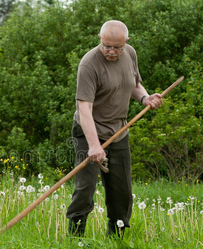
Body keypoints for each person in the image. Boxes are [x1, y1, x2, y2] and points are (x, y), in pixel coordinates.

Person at [66, 20, 162, 237]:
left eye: (116, 48)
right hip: (89, 132)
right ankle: (75, 240)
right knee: (85, 188)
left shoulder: (130, 54)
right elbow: (84, 108)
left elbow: (134, 85)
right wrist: (93, 146)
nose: (111, 51)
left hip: (119, 132)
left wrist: (145, 98)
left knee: (122, 191)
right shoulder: (89, 64)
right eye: (106, 46)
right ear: (100, 38)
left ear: (126, 43)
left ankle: (116, 240)